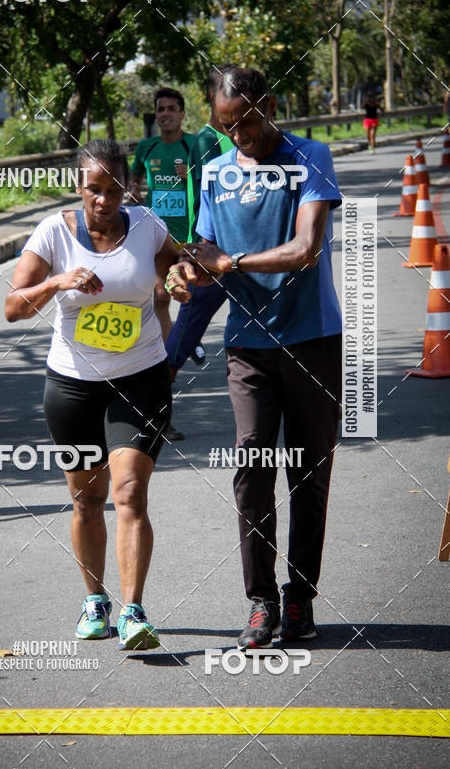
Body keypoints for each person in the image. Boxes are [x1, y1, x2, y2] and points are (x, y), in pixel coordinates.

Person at [166, 67, 342, 650]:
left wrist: (233, 264)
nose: (235, 135)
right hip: (248, 347)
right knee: (251, 471)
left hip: (313, 341)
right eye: (223, 126)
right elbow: (204, 247)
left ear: (269, 104)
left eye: (243, 121)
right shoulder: (214, 173)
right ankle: (261, 601)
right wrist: (186, 271)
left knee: (309, 475)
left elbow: (306, 249)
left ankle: (300, 599)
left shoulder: (309, 157)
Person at [5, 139, 194, 651]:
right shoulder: (53, 233)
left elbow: (178, 266)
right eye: (94, 189)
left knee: (130, 492)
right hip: (71, 385)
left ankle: (134, 612)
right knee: (87, 501)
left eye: (114, 189)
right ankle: (95, 601)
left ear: (127, 188)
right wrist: (58, 281)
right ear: (79, 187)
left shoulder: (148, 225)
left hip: (140, 378)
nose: (104, 200)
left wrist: (177, 281)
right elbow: (13, 307)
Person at [129, 87, 196, 440]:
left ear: (182, 114)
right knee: (160, 299)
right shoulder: (146, 148)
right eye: (160, 109)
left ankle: (182, 344)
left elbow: (209, 186)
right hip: (158, 240)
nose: (166, 114)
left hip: (193, 241)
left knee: (192, 305)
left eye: (172, 108)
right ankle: (167, 357)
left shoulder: (193, 146)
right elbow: (133, 179)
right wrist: (133, 190)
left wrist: (191, 178)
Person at [165, 65, 236, 382]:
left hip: (240, 258)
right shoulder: (207, 141)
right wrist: (196, 256)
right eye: (235, 92)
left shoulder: (239, 138)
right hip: (210, 255)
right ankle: (149, 417)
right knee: (182, 338)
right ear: (214, 95)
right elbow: (210, 203)